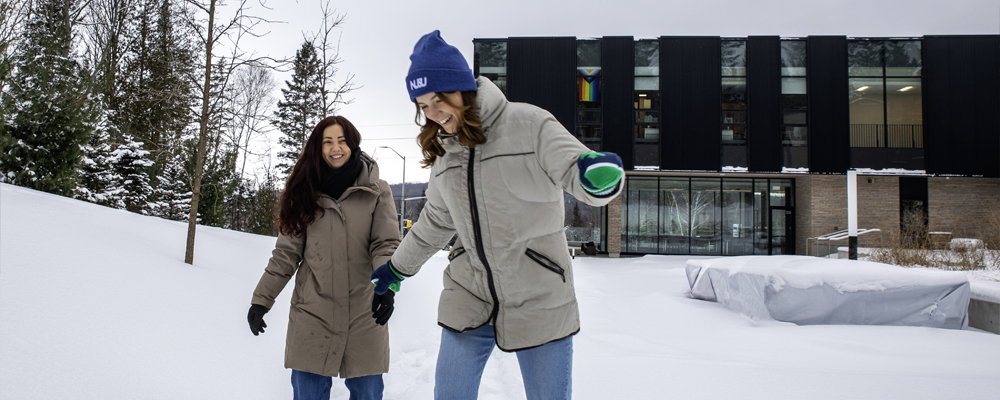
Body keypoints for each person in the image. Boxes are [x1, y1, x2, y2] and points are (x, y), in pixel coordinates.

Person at [369, 30, 624, 400]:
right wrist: (395, 271)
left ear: (463, 88)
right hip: (470, 295)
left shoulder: (529, 124)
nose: (433, 113)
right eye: (423, 105)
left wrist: (596, 179)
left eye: (439, 99)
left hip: (540, 295)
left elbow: (574, 168)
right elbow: (436, 223)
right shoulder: (444, 155)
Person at [247, 116, 400, 400]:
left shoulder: (377, 190)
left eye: (342, 140)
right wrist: (261, 300)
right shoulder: (302, 192)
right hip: (312, 313)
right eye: (327, 141)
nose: (335, 148)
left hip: (364, 311)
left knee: (368, 392)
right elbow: (286, 254)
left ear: (353, 144)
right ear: (318, 147)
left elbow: (385, 244)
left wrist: (386, 287)